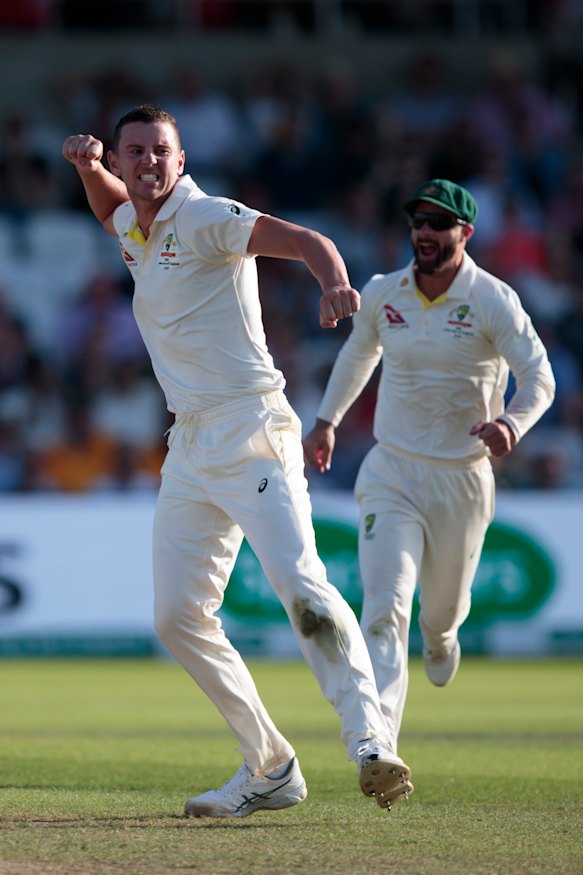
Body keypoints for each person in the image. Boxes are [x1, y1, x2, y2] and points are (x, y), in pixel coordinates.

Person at [62, 104, 413, 818]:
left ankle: (370, 740)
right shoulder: (134, 221)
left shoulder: (203, 216)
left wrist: (333, 281)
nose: (147, 163)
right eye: (134, 153)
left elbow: (306, 238)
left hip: (252, 428)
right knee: (177, 616)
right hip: (189, 446)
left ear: (180, 160)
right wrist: (87, 167)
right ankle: (270, 766)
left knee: (302, 589)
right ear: (124, 161)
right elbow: (110, 211)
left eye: (160, 151)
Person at [303, 179, 555, 773]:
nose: (425, 232)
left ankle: (443, 638)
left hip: (463, 479)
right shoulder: (383, 292)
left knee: (439, 614)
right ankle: (378, 746)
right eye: (418, 221)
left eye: (439, 224)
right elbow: (358, 354)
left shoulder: (492, 299)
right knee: (384, 608)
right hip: (391, 470)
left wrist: (513, 425)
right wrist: (326, 420)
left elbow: (539, 377)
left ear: (465, 234)